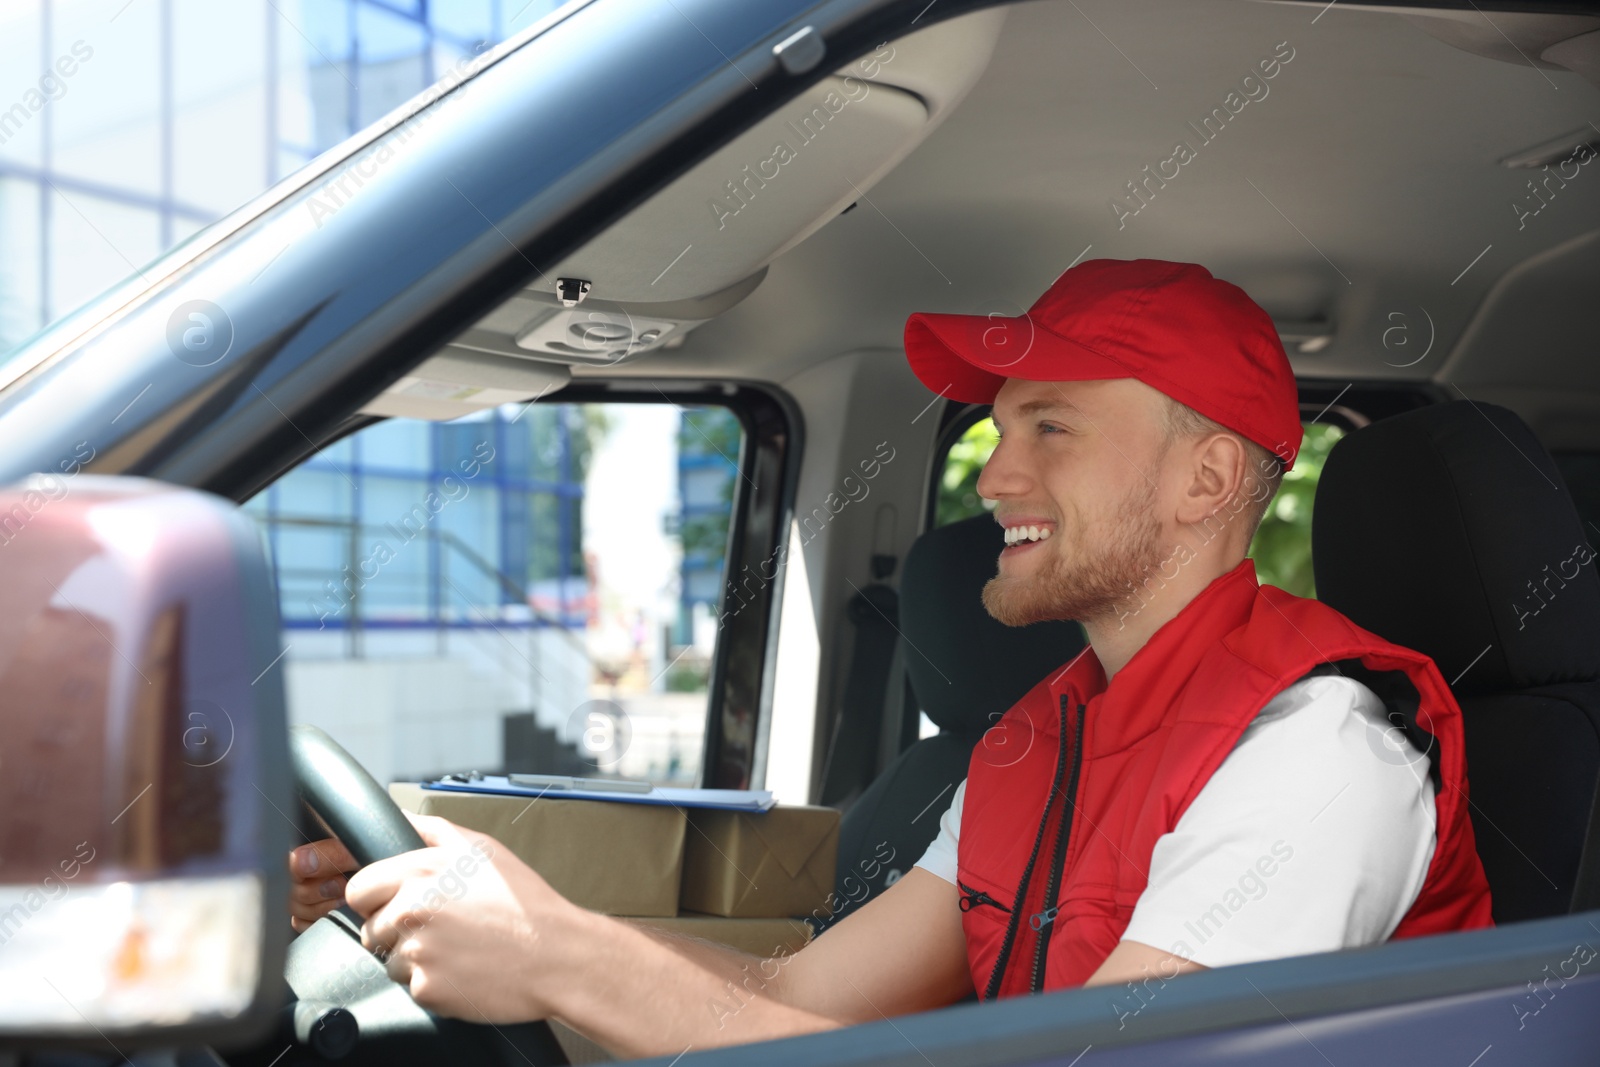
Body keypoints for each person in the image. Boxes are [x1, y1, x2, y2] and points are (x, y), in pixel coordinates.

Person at [288, 258, 1492, 1057]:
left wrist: (555, 953)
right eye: (998, 425)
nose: (996, 472)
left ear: (1209, 478)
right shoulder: (1038, 735)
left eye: (1051, 426)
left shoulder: (1321, 750)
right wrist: (519, 917)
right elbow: (800, 1003)